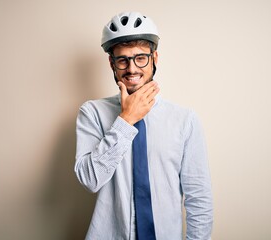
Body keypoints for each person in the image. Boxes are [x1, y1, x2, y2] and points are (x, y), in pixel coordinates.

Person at [75, 11, 213, 240]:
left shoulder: (184, 120)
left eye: (140, 57)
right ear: (112, 63)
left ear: (154, 58)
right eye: (122, 60)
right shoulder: (92, 113)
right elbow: (90, 179)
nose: (132, 69)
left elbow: (199, 199)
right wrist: (126, 119)